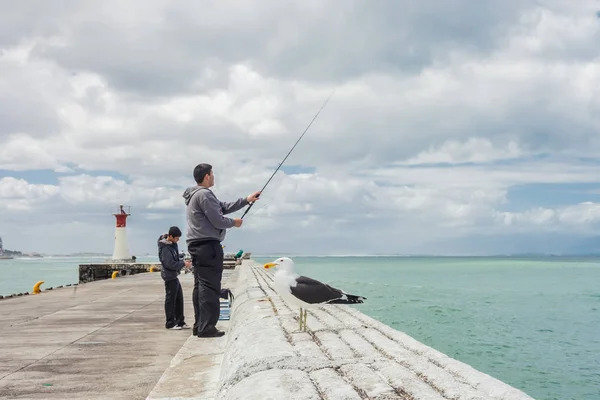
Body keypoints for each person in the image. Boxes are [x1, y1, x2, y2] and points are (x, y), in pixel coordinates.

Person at [182, 163, 260, 337]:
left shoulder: (196, 195)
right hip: (207, 245)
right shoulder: (204, 194)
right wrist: (235, 223)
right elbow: (218, 220)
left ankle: (200, 325)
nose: (214, 176)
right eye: (212, 173)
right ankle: (207, 327)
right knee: (210, 287)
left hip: (197, 245)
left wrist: (247, 200)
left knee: (200, 286)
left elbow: (222, 206)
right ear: (207, 176)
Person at [157, 226, 192, 330]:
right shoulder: (165, 248)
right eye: (176, 238)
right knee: (170, 300)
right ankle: (170, 323)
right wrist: (183, 264)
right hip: (169, 276)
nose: (178, 240)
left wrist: (181, 259)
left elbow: (175, 258)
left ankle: (180, 321)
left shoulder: (172, 244)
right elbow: (169, 264)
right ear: (171, 236)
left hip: (174, 276)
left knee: (179, 299)